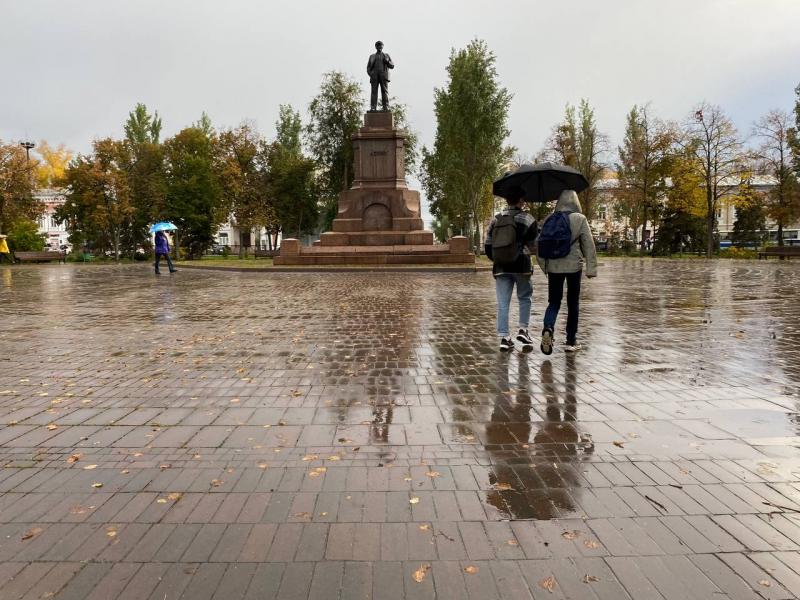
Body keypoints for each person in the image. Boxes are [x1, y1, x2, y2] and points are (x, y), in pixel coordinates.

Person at [537, 189, 597, 354]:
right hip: (573, 268)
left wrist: (545, 266)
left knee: (554, 302)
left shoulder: (549, 219)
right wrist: (591, 269)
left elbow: (540, 244)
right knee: (573, 303)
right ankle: (571, 341)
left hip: (554, 267)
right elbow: (588, 245)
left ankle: (548, 328)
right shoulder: (580, 219)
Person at [484, 187, 538, 352]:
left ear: (507, 200)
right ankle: (523, 329)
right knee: (524, 297)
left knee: (502, 303)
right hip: (521, 265)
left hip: (501, 267)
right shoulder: (528, 219)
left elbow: (488, 246)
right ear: (520, 200)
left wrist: (499, 258)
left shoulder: (496, 219)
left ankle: (504, 337)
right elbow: (533, 246)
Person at [367, 40, 394, 111]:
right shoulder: (372, 56)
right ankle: (373, 107)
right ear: (375, 47)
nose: (379, 47)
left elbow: (392, 65)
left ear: (382, 46)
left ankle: (386, 107)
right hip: (374, 76)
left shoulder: (386, 55)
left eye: (380, 45)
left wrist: (387, 61)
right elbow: (368, 67)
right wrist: (371, 74)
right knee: (374, 91)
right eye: (378, 45)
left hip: (383, 75)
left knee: (384, 91)